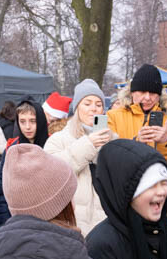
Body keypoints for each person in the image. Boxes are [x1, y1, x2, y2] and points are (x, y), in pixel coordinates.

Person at [44, 78, 116, 236]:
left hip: (106, 222)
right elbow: (52, 172)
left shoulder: (113, 138)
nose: (93, 109)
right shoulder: (58, 139)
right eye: (87, 103)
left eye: (98, 104)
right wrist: (88, 144)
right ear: (77, 108)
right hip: (72, 223)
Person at [108, 64, 167, 171]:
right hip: (125, 185)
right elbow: (109, 159)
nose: (147, 97)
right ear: (132, 92)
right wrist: (137, 143)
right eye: (142, 92)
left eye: (152, 93)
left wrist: (165, 142)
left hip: (158, 185)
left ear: (159, 95)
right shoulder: (113, 116)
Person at [0, 98, 49, 225]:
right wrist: (4, 223)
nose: (27, 127)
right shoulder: (11, 149)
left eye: (33, 121)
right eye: (22, 122)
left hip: (46, 218)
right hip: (16, 219)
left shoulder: (51, 146)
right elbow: (2, 191)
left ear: (40, 121)